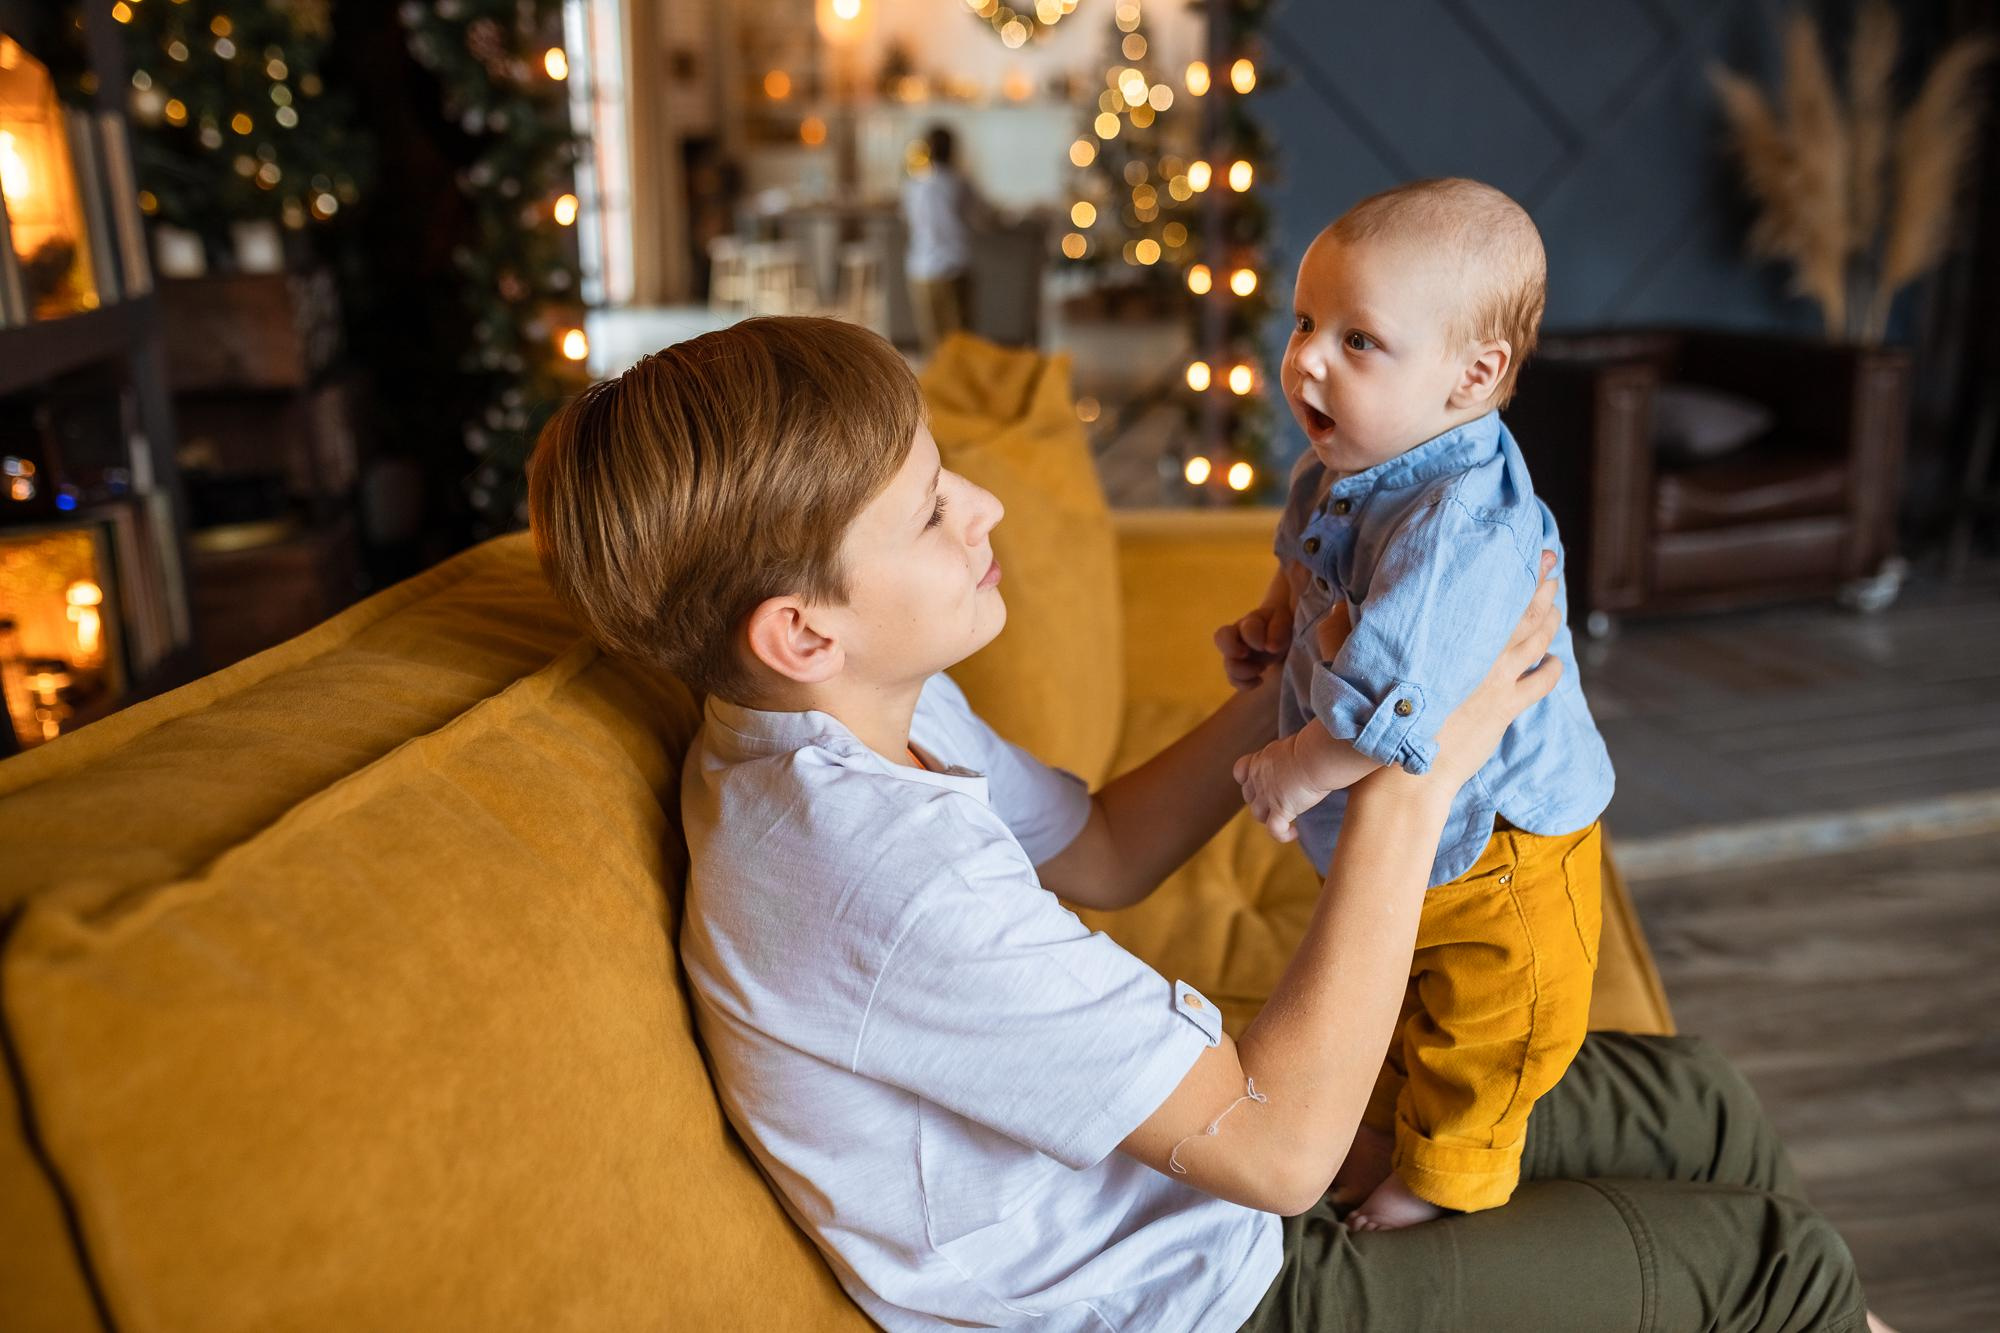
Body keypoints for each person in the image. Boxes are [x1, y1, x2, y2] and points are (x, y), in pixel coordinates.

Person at [528, 316, 1878, 1332]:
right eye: (935, 510)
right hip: (1188, 1298)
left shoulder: (850, 709)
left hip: (1185, 1185)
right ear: (801, 627)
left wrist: (1305, 684)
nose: (982, 505)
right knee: (1775, 1267)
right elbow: (1282, 1158)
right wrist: (1409, 776)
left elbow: (1103, 850)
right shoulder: (871, 875)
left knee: (1698, 1101)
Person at [1220, 178, 1611, 1231]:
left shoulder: (1459, 528)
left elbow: (1397, 697)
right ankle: (1382, 1121)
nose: (1305, 356)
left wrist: (1294, 765)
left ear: (1470, 376)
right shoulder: (1347, 462)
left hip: (1505, 846)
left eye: (1357, 341)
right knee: (1401, 994)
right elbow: (1309, 548)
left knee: (1491, 1023)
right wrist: (1278, 610)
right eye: (1304, 322)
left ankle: (1446, 1181)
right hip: (1425, 840)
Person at [901, 125, 991, 352]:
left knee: (932, 341)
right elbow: (981, 219)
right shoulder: (961, 184)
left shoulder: (914, 186)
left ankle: (937, 385)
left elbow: (909, 221)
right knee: (960, 342)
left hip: (922, 268)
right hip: (955, 266)